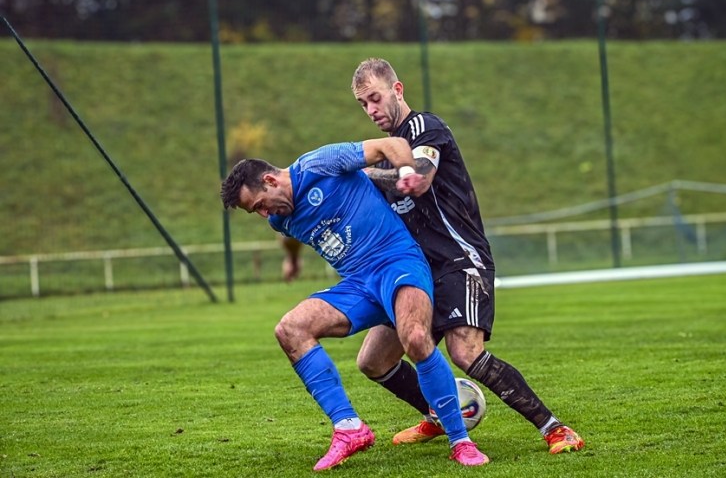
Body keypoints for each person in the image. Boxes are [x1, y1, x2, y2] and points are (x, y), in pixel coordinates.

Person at [348, 58, 585, 454]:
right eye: (363, 105)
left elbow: (419, 179)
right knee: (374, 360)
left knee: (464, 352)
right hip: (418, 271)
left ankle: (555, 428)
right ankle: (439, 415)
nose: (371, 111)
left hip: (460, 259)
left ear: (397, 89)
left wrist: (364, 174)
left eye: (375, 98)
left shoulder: (425, 128)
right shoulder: (384, 155)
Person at [220, 138, 490, 471]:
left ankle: (461, 441)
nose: (263, 214)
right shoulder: (280, 218)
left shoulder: (318, 164)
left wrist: (406, 170)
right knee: (290, 329)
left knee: (416, 339)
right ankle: (349, 429)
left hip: (398, 263)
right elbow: (286, 233)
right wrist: (292, 262)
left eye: (261, 204)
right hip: (358, 285)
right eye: (255, 212)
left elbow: (390, 144)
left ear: (270, 180)